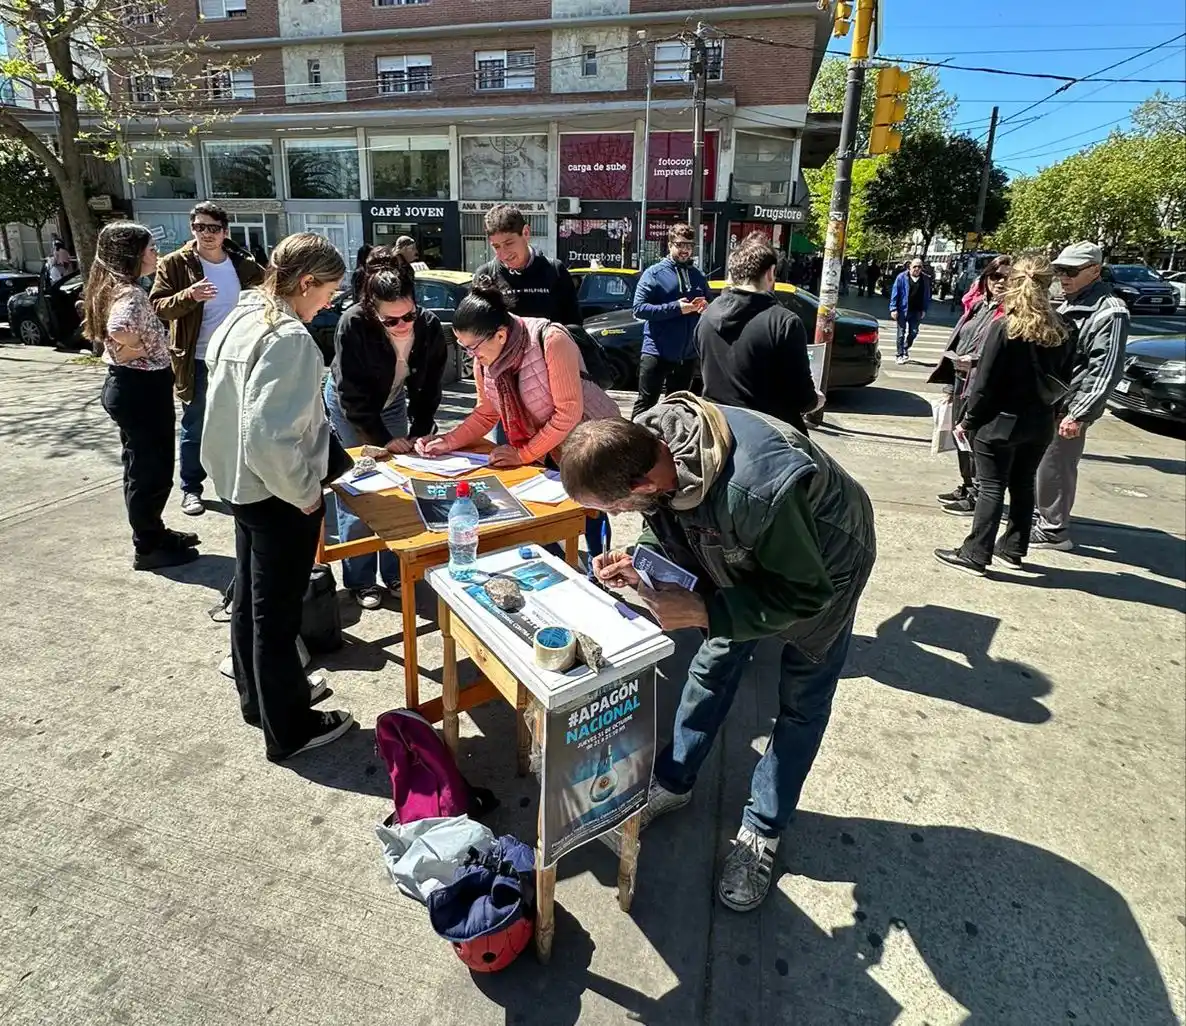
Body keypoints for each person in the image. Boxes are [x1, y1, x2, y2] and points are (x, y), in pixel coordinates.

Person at [560, 397, 876, 912]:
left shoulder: (754, 490)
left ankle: (763, 831)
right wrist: (643, 557)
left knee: (802, 702)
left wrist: (706, 611)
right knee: (710, 668)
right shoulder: (647, 446)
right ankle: (674, 780)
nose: (614, 516)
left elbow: (804, 594)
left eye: (612, 508)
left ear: (640, 485)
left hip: (826, 566)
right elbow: (665, 522)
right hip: (747, 553)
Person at [202, 233, 353, 762]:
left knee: (250, 599)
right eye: (329, 292)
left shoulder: (243, 316)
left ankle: (261, 701)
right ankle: (289, 727)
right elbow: (268, 434)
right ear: (305, 282)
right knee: (277, 614)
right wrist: (306, 493)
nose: (330, 303)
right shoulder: (288, 337)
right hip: (276, 494)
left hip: (241, 486)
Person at [415, 275, 620, 562]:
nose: (470, 355)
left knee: (590, 508)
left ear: (500, 335)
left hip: (587, 439)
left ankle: (600, 572)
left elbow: (568, 413)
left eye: (472, 347)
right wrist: (447, 442)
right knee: (544, 515)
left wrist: (522, 454)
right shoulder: (484, 359)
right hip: (543, 446)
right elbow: (487, 412)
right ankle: (555, 562)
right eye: (463, 348)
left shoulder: (550, 339)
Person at [934, 255, 1074, 576]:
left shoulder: (1005, 327)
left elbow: (985, 386)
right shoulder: (1064, 328)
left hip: (999, 422)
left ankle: (975, 554)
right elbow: (1067, 379)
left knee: (991, 486)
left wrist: (967, 421)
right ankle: (1012, 549)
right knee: (1023, 485)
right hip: (1039, 422)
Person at [325, 249, 448, 609]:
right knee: (361, 486)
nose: (403, 325)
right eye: (391, 321)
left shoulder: (428, 326)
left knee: (400, 483)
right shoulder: (352, 324)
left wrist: (419, 431)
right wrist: (381, 440)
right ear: (372, 310)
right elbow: (351, 396)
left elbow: (430, 388)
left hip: (393, 401)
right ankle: (361, 579)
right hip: (353, 407)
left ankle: (395, 569)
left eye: (408, 315)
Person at [85, 222, 199, 571]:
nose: (156, 255)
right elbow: (119, 330)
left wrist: (129, 350)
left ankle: (152, 531)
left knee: (139, 467)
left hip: (131, 387)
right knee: (151, 471)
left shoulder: (112, 287)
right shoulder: (130, 294)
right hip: (140, 389)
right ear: (131, 254)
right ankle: (148, 545)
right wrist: (133, 347)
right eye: (150, 249)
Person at [150, 202, 266, 518]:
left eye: (213, 228)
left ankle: (233, 486)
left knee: (238, 425)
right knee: (196, 425)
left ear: (224, 231)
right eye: (200, 227)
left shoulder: (242, 265)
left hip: (238, 359)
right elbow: (158, 306)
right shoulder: (175, 264)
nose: (207, 234)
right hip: (198, 359)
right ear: (192, 229)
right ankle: (191, 488)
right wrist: (190, 295)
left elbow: (270, 293)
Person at [1031, 242, 1130, 552]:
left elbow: (1106, 369)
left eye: (1071, 271)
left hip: (1069, 406)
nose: (1064, 277)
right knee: (1044, 465)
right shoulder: (1067, 302)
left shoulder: (1110, 311)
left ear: (1095, 271)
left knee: (1057, 466)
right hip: (1051, 401)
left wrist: (1080, 413)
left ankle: (1054, 530)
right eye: (1060, 270)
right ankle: (1043, 518)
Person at [697, 234, 822, 434]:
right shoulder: (785, 323)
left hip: (718, 433)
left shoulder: (707, 315)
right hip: (769, 436)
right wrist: (816, 400)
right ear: (771, 273)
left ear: (733, 272)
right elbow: (801, 398)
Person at [928, 255, 1012, 515]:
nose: (999, 283)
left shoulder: (1010, 312)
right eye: (994, 277)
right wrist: (950, 388)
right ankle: (967, 484)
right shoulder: (979, 305)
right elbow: (959, 340)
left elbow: (1003, 353)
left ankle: (977, 493)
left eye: (1006, 279)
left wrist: (975, 362)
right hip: (961, 380)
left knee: (976, 440)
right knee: (960, 437)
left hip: (984, 385)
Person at [631, 222, 708, 419]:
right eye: (680, 244)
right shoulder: (654, 273)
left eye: (689, 245)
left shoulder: (698, 276)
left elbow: (711, 305)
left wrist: (706, 307)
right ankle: (633, 447)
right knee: (645, 405)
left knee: (677, 410)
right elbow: (639, 308)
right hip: (657, 351)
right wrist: (676, 308)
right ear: (670, 244)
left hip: (687, 355)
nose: (685, 250)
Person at [475, 205, 580, 324]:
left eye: (508, 244)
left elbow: (574, 325)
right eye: (496, 247)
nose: (503, 254)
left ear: (526, 232)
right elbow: (475, 330)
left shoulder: (555, 271)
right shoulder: (485, 276)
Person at [889, 257, 931, 364]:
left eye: (919, 267)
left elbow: (926, 295)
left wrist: (924, 310)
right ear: (910, 267)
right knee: (901, 334)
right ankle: (899, 354)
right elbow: (895, 293)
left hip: (916, 311)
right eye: (914, 266)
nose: (917, 269)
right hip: (903, 310)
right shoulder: (901, 277)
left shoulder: (925, 279)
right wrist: (893, 308)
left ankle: (905, 348)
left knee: (914, 332)